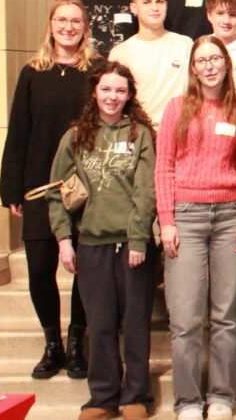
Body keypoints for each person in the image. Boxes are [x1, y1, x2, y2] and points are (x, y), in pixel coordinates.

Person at [48, 60, 157, 420]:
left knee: (136, 322)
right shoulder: (75, 136)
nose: (113, 96)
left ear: (129, 95)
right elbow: (56, 192)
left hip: (132, 245)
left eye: (120, 90)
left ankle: (136, 394)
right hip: (91, 244)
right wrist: (64, 239)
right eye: (106, 89)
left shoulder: (140, 134)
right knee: (100, 323)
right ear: (94, 92)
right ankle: (102, 396)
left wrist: (138, 238)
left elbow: (146, 190)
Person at [155, 35, 236, 420]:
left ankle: (223, 396)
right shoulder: (177, 108)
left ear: (227, 63)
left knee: (226, 316)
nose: (209, 66)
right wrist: (167, 221)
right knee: (185, 319)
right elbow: (164, 167)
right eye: (202, 61)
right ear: (193, 68)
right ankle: (188, 401)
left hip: (231, 215)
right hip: (187, 216)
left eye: (216, 59)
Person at [0, 0, 96, 380]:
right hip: (40, 185)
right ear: (51, 25)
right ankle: (52, 343)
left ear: (85, 27)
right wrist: (12, 188)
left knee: (85, 268)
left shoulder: (96, 71)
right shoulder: (33, 72)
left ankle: (76, 343)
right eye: (61, 20)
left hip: (87, 186)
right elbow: (18, 130)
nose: (68, 27)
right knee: (40, 267)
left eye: (75, 21)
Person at [108, 0, 194, 124]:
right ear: (134, 8)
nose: (155, 8)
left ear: (166, 5)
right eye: (146, 2)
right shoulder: (120, 53)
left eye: (159, 2)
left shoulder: (185, 45)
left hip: (179, 129)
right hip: (138, 130)